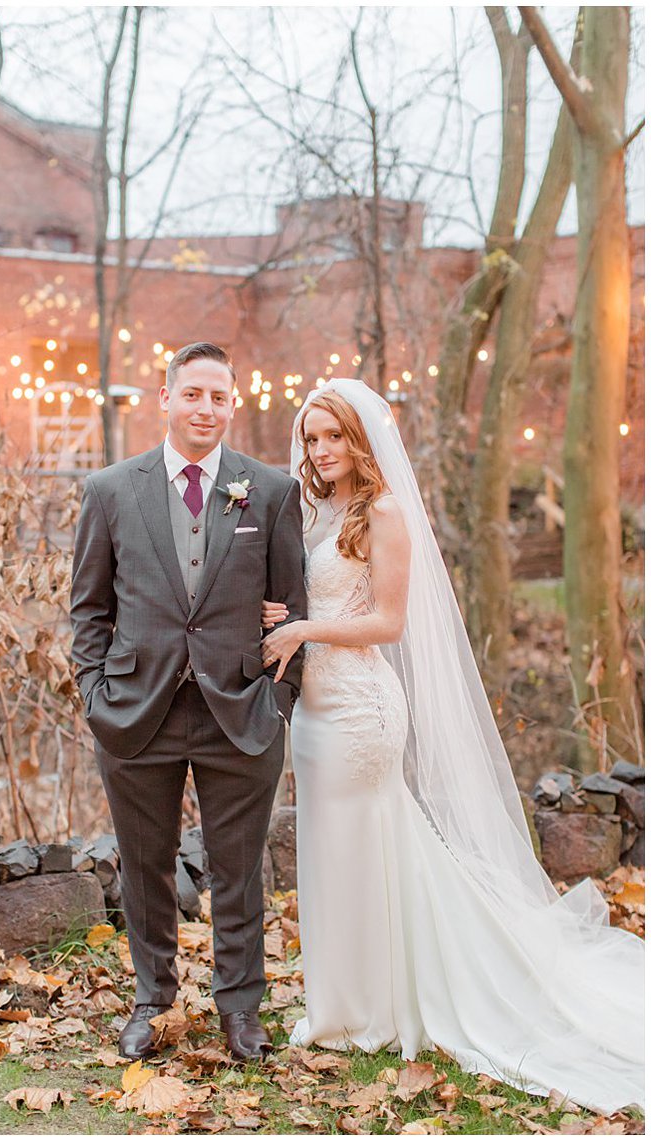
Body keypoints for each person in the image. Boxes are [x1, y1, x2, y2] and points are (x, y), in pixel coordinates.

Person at [260, 377, 644, 1114]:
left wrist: (304, 629)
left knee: (366, 848)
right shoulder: (317, 509)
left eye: (333, 435)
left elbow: (388, 623)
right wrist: (287, 611)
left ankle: (378, 1008)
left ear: (361, 438)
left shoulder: (386, 511)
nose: (321, 449)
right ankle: (344, 1001)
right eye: (312, 437)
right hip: (313, 713)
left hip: (362, 709)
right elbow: (322, 596)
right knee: (333, 851)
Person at [69, 341, 308, 1062]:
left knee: (239, 868)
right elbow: (88, 608)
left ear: (232, 404)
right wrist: (94, 695)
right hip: (137, 711)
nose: (206, 407)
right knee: (145, 864)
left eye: (219, 396)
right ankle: (153, 998)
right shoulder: (111, 489)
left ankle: (240, 1008)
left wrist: (280, 699)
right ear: (165, 397)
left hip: (241, 708)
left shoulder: (268, 490)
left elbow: (294, 608)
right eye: (193, 393)